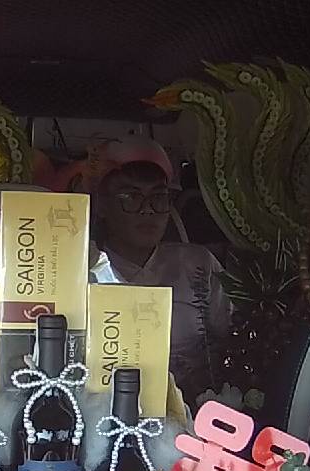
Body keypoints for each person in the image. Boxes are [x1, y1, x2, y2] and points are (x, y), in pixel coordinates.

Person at [87, 137, 232, 405]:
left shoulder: (197, 264)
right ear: (103, 205)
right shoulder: (83, 272)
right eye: (132, 197)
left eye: (158, 198)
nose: (148, 210)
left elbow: (232, 340)